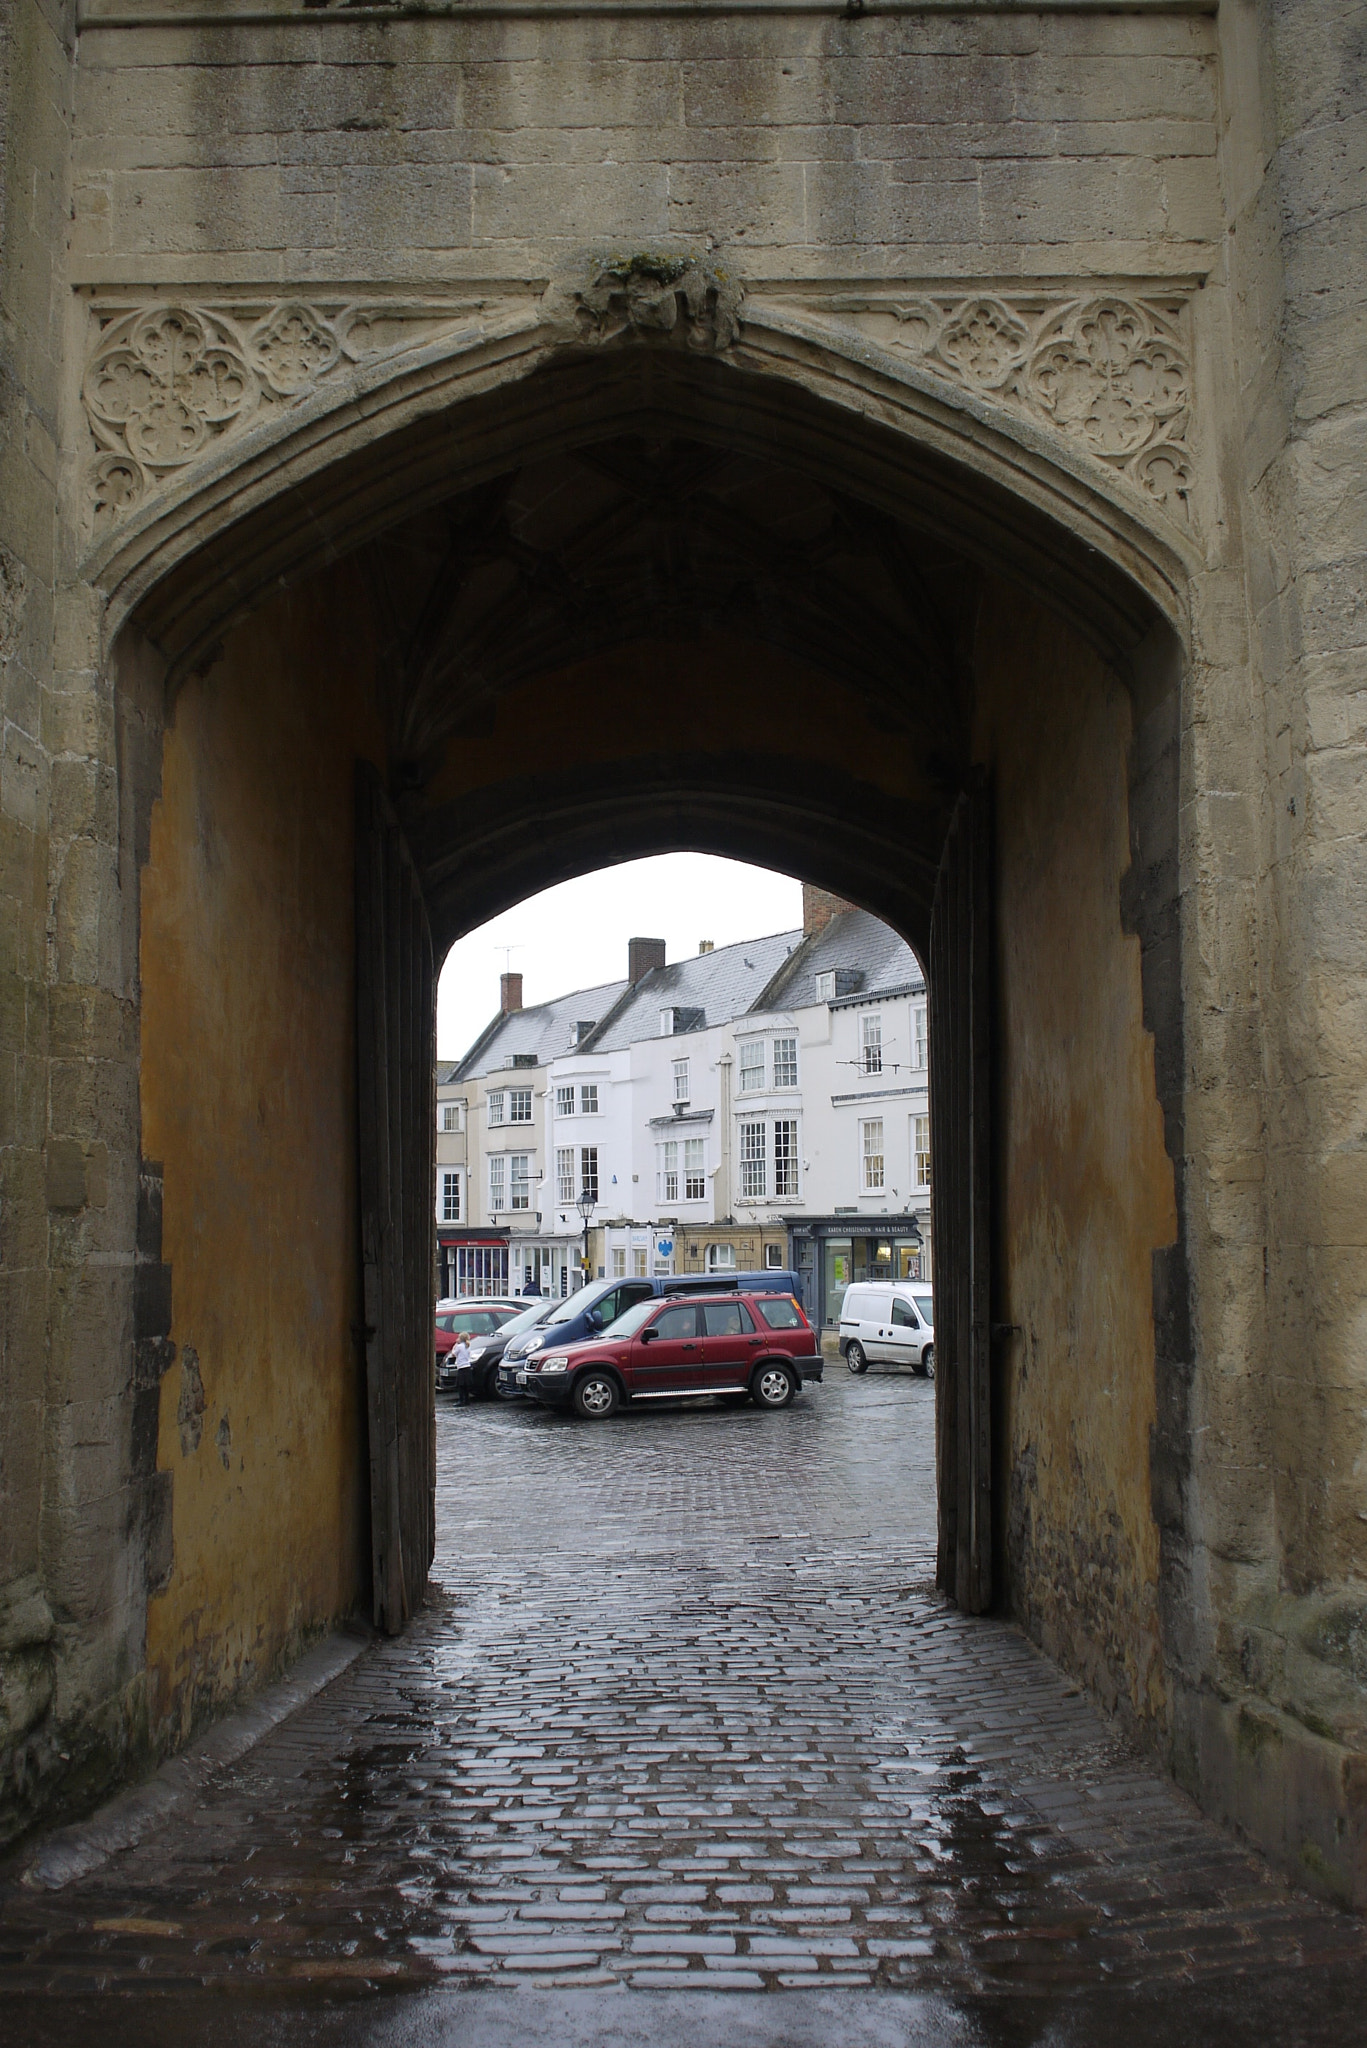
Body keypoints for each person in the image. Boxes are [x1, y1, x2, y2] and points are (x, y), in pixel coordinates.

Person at [452, 1333, 473, 1405]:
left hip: (461, 1367)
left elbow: (453, 1354)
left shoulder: (459, 1346)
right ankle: (467, 1400)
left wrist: (455, 1345)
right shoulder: (468, 1346)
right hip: (467, 1366)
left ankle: (461, 1400)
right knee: (466, 1385)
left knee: (460, 1385)